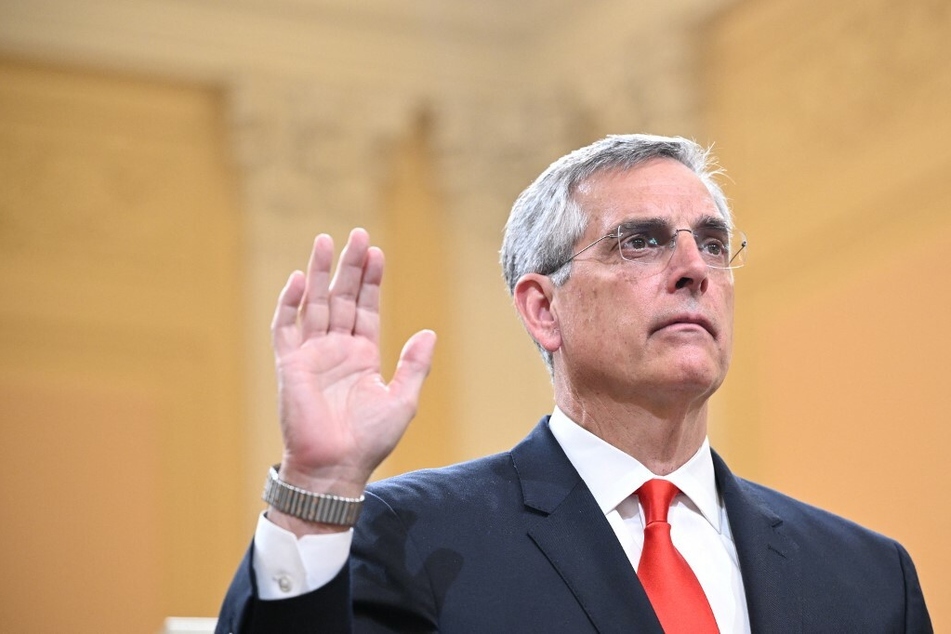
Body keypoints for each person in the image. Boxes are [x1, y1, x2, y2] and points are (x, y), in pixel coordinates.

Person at [216, 134, 932, 633]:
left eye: (712, 243)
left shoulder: (867, 577)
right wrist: (318, 487)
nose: (694, 269)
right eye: (642, 240)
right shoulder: (406, 539)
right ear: (542, 308)